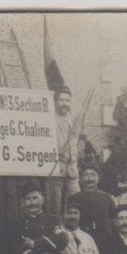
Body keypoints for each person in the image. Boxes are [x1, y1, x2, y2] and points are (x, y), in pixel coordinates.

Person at [5, 180, 69, 254]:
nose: (32, 202)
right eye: (28, 199)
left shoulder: (53, 220)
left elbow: (63, 240)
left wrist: (35, 243)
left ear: (42, 200)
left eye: (35, 198)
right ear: (23, 203)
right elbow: (15, 252)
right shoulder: (17, 226)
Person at [66, 163, 116, 244]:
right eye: (86, 175)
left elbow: (113, 220)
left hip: (105, 240)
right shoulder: (74, 198)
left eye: (93, 175)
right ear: (81, 178)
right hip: (82, 240)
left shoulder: (107, 198)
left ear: (98, 178)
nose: (89, 178)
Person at [50, 86, 80, 215]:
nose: (64, 103)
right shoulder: (50, 118)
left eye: (67, 100)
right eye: (61, 100)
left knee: (76, 202)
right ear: (55, 101)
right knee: (55, 206)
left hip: (72, 169)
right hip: (55, 167)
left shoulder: (74, 119)